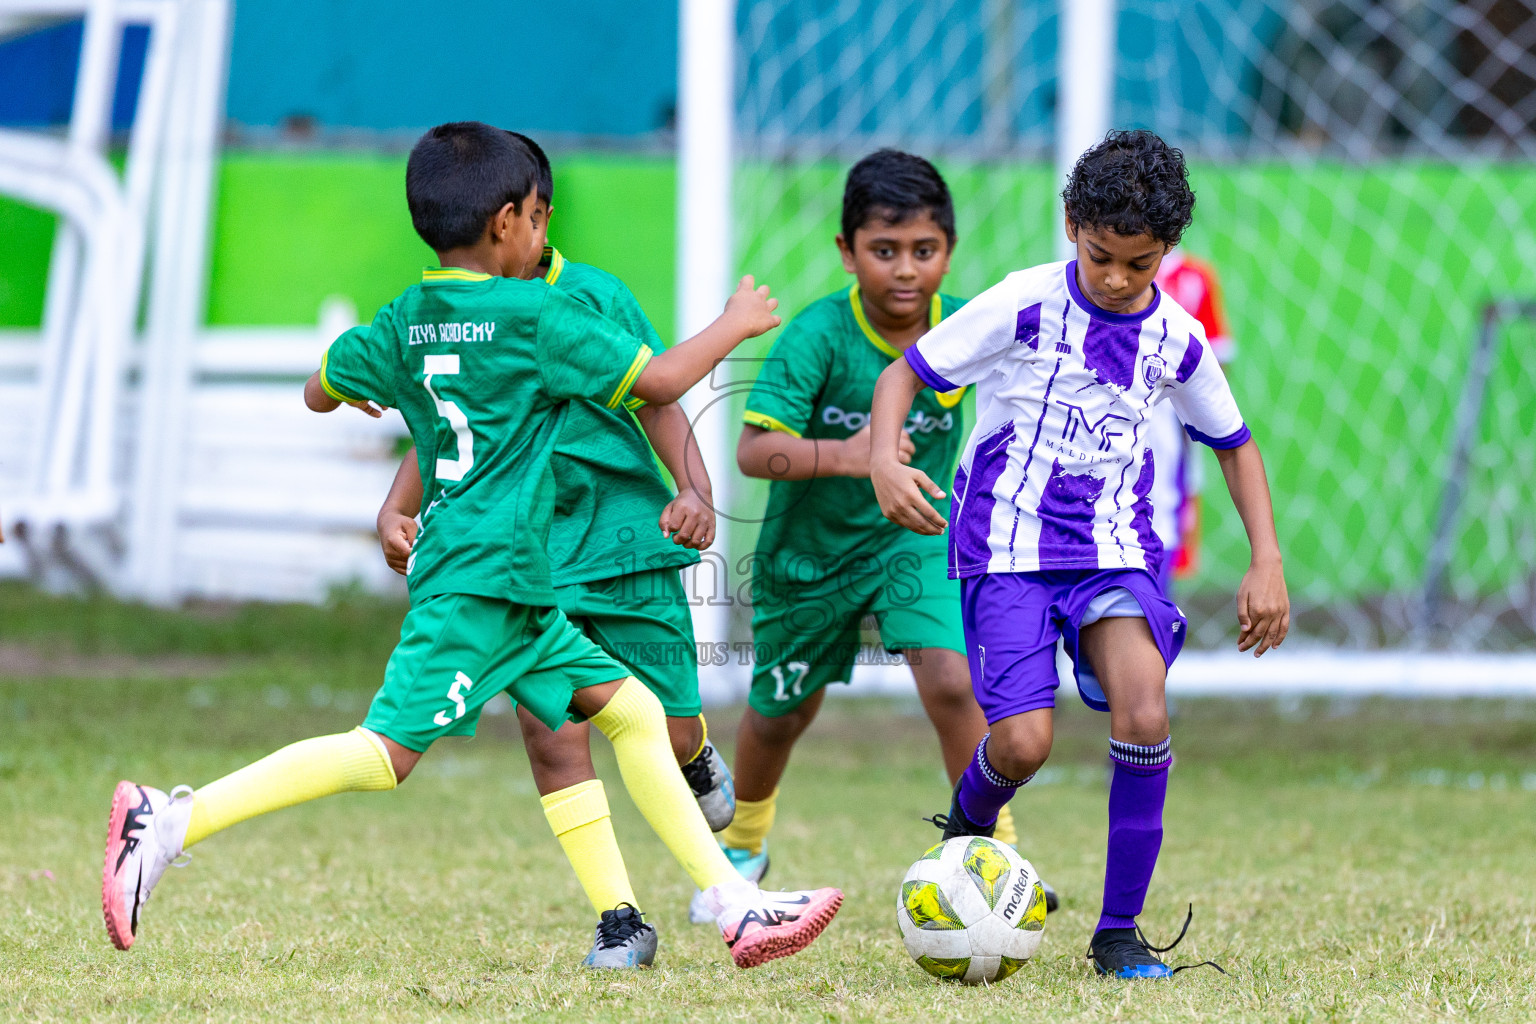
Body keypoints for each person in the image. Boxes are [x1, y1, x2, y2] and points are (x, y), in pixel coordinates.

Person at [101, 122, 842, 971]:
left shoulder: (406, 318)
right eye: (536, 216)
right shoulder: (535, 315)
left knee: (632, 711)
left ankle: (736, 906)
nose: (542, 230)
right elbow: (664, 383)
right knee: (381, 757)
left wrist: (364, 396)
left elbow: (318, 389)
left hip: (515, 583)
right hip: (481, 587)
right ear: (507, 222)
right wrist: (734, 322)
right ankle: (166, 820)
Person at [869, 130, 1288, 979]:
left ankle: (1119, 933)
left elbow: (1234, 443)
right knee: (1022, 744)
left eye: (1141, 265)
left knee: (1144, 710)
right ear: (1071, 226)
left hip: (1115, 551)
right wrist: (885, 457)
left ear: (1167, 252)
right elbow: (904, 375)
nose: (1118, 279)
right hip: (1009, 546)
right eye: (1102, 257)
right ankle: (964, 842)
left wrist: (1266, 559)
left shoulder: (1177, 338)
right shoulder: (1022, 304)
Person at [371, 132, 733, 968]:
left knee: (669, 733)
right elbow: (442, 426)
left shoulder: (593, 299)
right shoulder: (455, 318)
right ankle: (619, 918)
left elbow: (660, 401)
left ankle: (701, 755)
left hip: (629, 545)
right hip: (532, 557)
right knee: (552, 731)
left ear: (534, 219)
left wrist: (694, 492)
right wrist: (395, 507)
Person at [714, 149, 1052, 920]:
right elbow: (754, 450)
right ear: (847, 251)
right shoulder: (818, 336)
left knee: (952, 679)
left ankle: (991, 848)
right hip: (810, 557)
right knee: (781, 711)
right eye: (884, 251)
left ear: (949, 251)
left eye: (924, 252)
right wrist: (860, 453)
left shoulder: (969, 325)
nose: (906, 271)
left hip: (919, 537)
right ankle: (745, 843)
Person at [1146, 250, 1236, 593]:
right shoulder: (1105, 270)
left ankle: (1155, 611)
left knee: (1165, 514)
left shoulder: (1195, 278)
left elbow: (1216, 360)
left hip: (1171, 422)